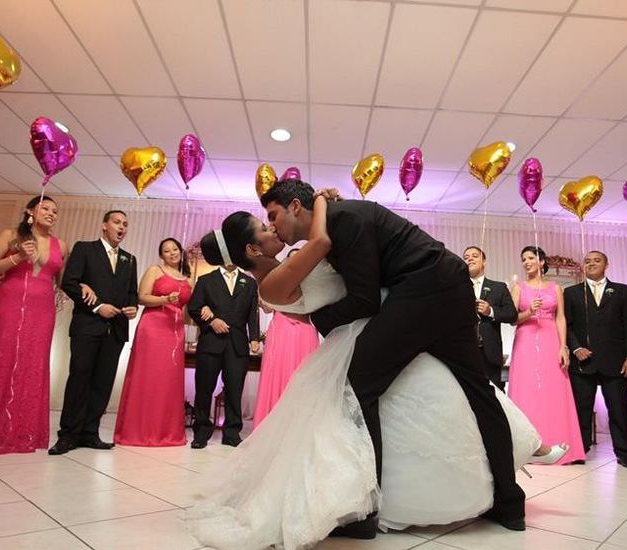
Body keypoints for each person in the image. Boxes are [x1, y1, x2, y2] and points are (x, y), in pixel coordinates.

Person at [181, 195, 565, 549]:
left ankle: (375, 506)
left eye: (272, 218)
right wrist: (319, 202)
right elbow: (324, 247)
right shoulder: (275, 281)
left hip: (395, 316)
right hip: (369, 327)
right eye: (265, 227)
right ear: (252, 249)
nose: (273, 228)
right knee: (379, 397)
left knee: (441, 393)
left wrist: (319, 210)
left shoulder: (294, 257)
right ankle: (379, 503)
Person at [264, 180, 529, 535]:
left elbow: (365, 300)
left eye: (273, 215)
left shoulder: (344, 220)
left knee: (358, 384)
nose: (272, 227)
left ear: (295, 206)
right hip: (452, 288)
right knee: (479, 391)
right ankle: (511, 505)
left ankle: (365, 512)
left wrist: (316, 320)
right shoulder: (338, 219)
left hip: (424, 290)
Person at [0, 196, 68, 454]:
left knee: (34, 365)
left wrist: (86, 287)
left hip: (43, 310)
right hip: (10, 303)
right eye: (46, 208)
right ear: (30, 211)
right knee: (3, 361)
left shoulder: (61, 245)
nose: (51, 213)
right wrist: (17, 257)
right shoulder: (11, 235)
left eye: (55, 211)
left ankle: (26, 432)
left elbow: (65, 282)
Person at [48, 211, 138, 455]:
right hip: (88, 326)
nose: (122, 227)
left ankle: (90, 433)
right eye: (117, 222)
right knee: (79, 378)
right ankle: (68, 435)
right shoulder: (85, 249)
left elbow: (132, 293)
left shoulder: (130, 259)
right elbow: (69, 282)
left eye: (125, 224)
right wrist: (98, 306)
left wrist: (132, 307)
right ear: (104, 225)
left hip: (116, 330)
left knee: (103, 382)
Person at [509, 246, 586, 465]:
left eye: (530, 258)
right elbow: (513, 319)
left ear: (542, 262)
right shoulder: (518, 288)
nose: (526, 262)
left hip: (551, 338)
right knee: (527, 389)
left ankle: (561, 444)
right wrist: (528, 312)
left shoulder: (556, 288)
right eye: (523, 259)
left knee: (554, 390)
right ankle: (528, 447)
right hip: (525, 340)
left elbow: (561, 318)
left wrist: (563, 347)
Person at [563, 251, 627, 469]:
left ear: (607, 264)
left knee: (618, 408)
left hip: (615, 362)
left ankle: (624, 452)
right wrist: (576, 348)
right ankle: (580, 449)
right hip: (582, 362)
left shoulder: (624, 291)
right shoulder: (571, 293)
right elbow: (565, 324)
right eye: (587, 261)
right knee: (581, 408)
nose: (591, 264)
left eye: (597, 260)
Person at [113, 238, 193, 446]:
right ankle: (139, 430)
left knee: (169, 381)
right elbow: (142, 297)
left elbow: (187, 309)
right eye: (167, 251)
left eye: (175, 249)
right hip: (153, 326)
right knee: (148, 376)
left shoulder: (188, 278)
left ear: (180, 251)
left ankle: (165, 431)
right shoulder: (154, 270)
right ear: (162, 255)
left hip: (175, 331)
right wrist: (165, 300)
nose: (172, 253)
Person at [187, 260, 260, 448]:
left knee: (234, 391)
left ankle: (232, 433)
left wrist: (254, 337)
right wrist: (211, 321)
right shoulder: (205, 280)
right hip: (211, 343)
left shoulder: (249, 282)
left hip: (238, 344)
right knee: (204, 389)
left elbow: (253, 313)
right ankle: (201, 432)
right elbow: (194, 307)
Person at [253, 248, 320, 426]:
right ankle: (269, 424)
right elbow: (267, 307)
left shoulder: (314, 284)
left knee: (302, 375)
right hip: (281, 328)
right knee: (277, 373)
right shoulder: (277, 282)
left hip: (306, 330)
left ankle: (298, 426)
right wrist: (262, 301)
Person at [464, 246, 516, 391]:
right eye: (466, 257)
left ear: (484, 261)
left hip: (490, 353)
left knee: (494, 395)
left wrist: (491, 311)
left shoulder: (499, 287)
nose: (470, 259)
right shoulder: (458, 287)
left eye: (474, 255)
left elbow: (512, 314)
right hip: (465, 350)